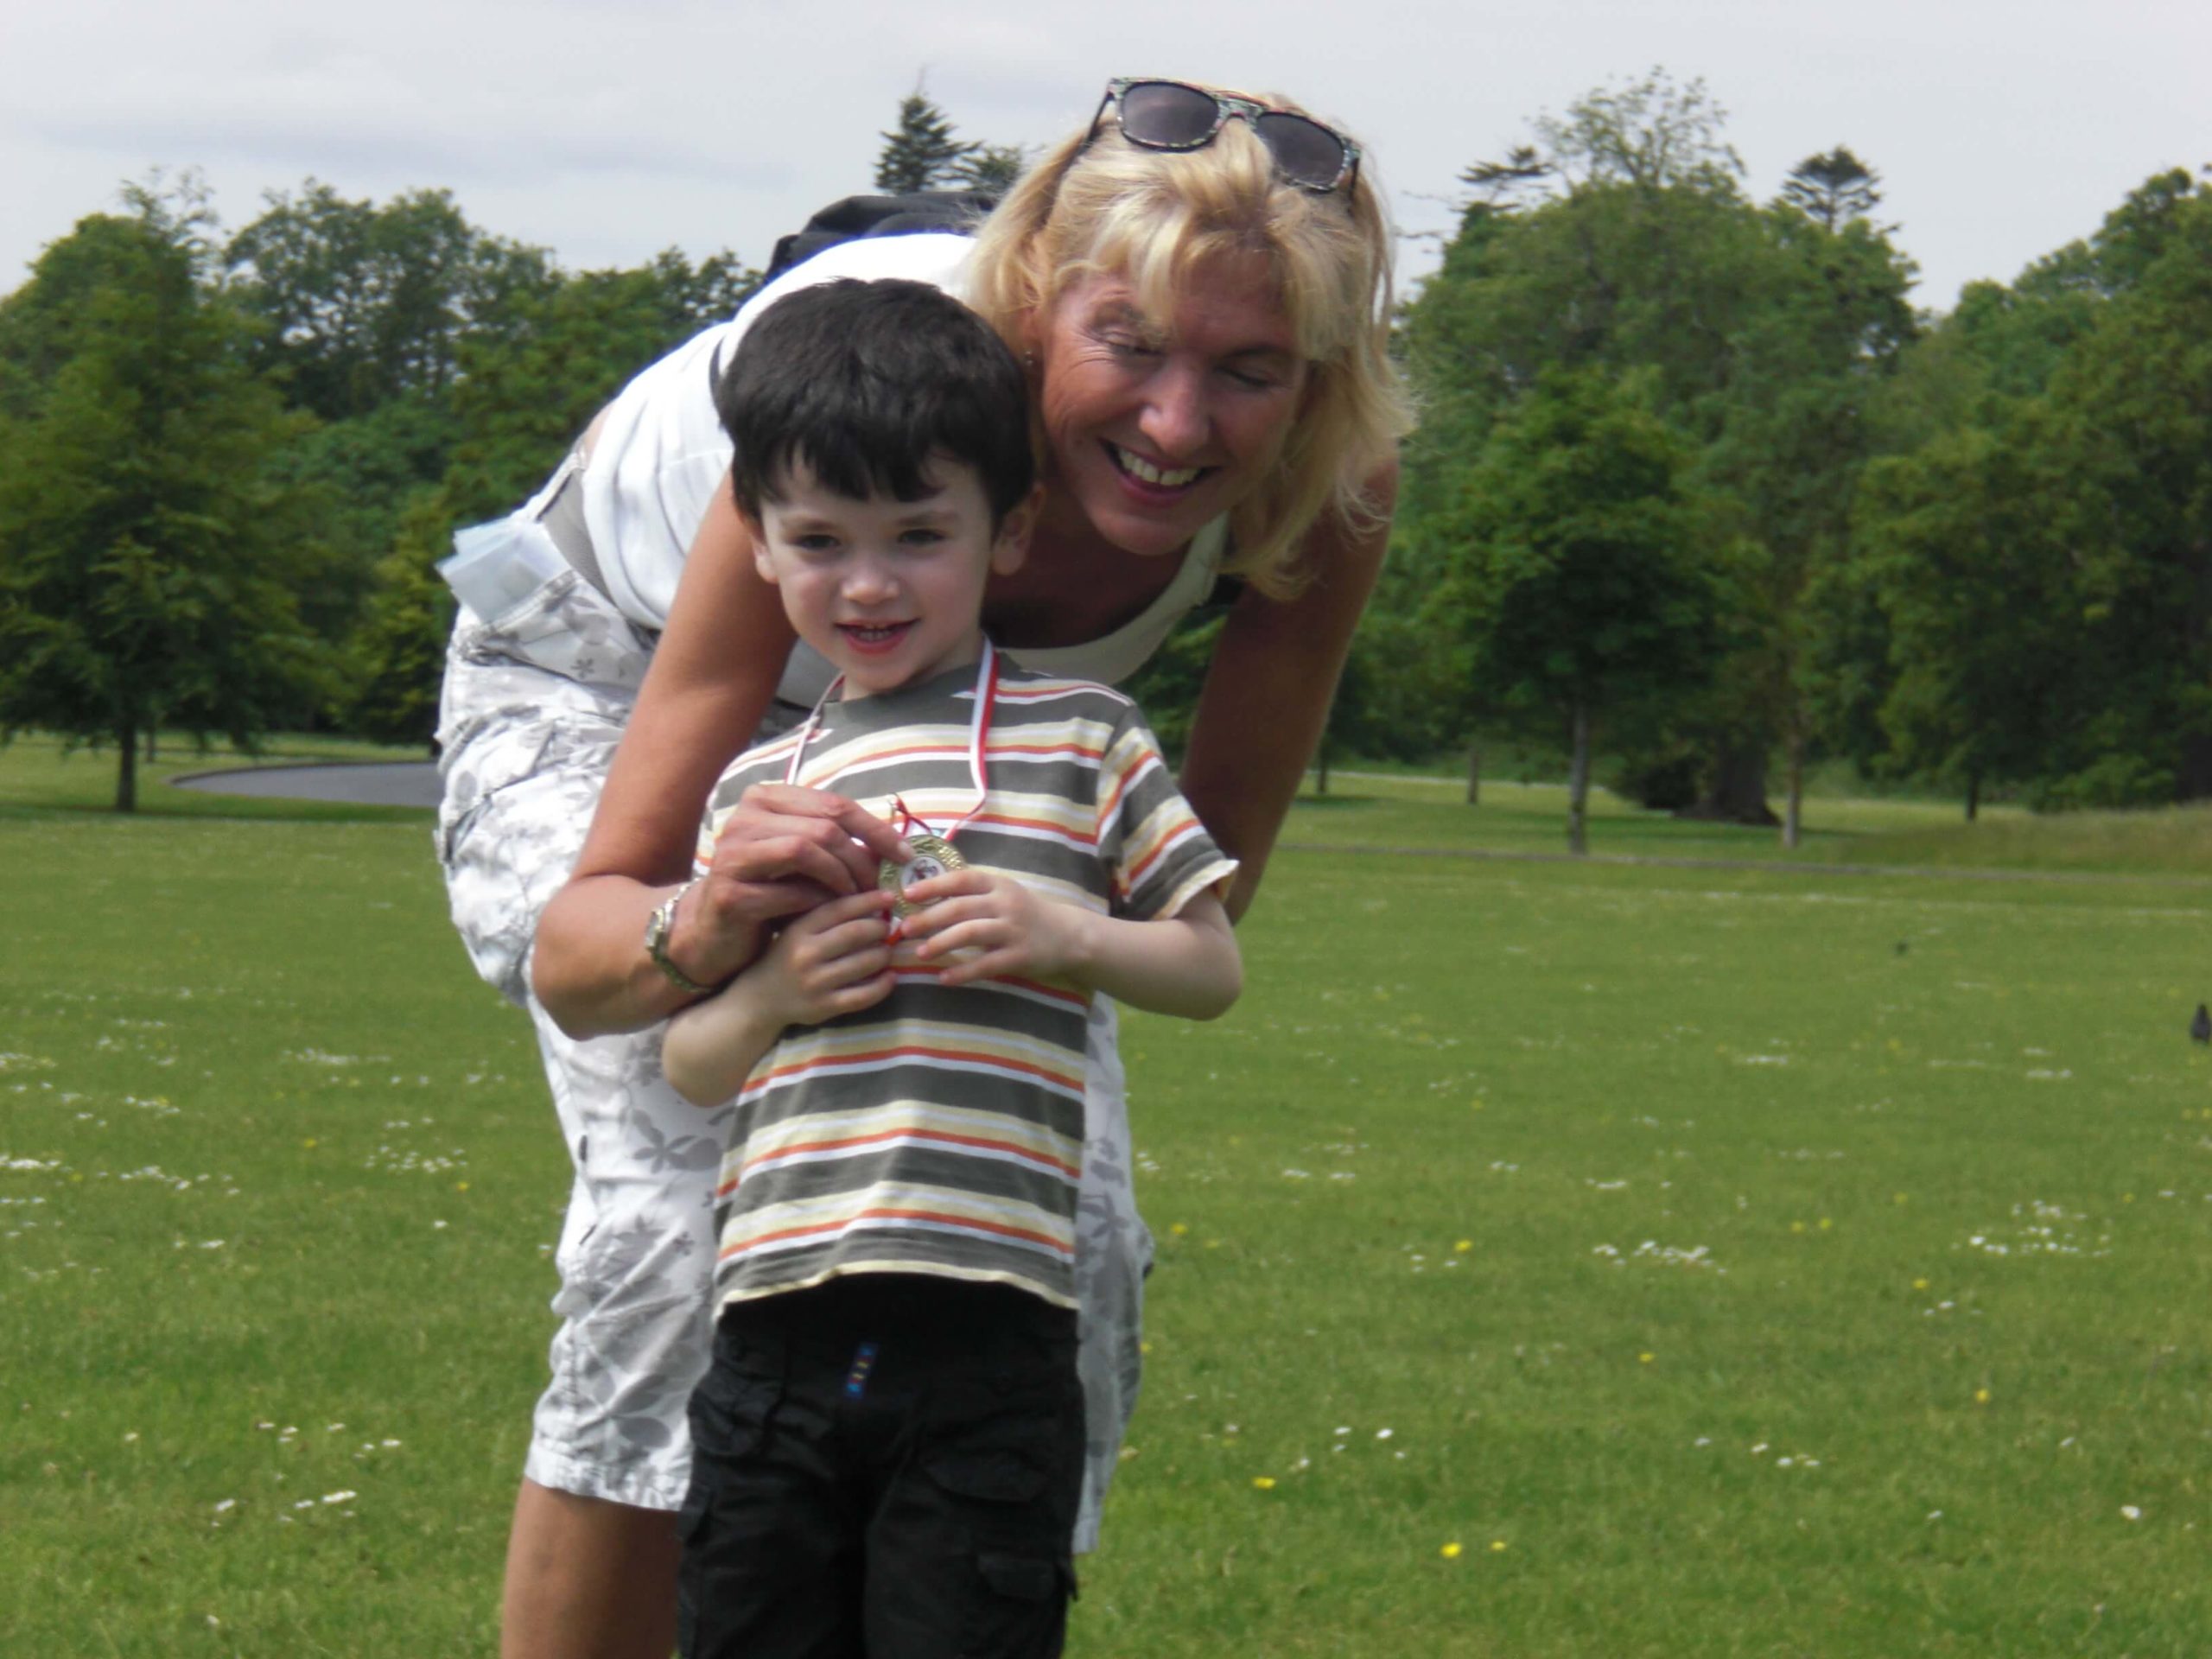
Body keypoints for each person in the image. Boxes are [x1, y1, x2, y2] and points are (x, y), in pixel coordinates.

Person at [435, 75, 1409, 1659]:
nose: (1179, 427)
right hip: (606, 677)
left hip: (957, 731)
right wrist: (727, 939)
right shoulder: (866, 385)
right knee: (689, 1231)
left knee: (1062, 1246)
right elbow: (596, 938)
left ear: (1318, 379)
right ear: (1035, 306)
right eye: (1132, 348)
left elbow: (1191, 885)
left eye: (1248, 372)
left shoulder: (1331, 477)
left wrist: (1023, 941)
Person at [657, 275, 1241, 1656]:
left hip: (989, 1328)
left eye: (920, 535)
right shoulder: (757, 789)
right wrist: (771, 994)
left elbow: (1209, 965)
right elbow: (690, 1063)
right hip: (777, 1334)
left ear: (1009, 529)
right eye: (820, 539)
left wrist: (1064, 934)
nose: (869, 583)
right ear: (756, 539)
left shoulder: (1085, 736)